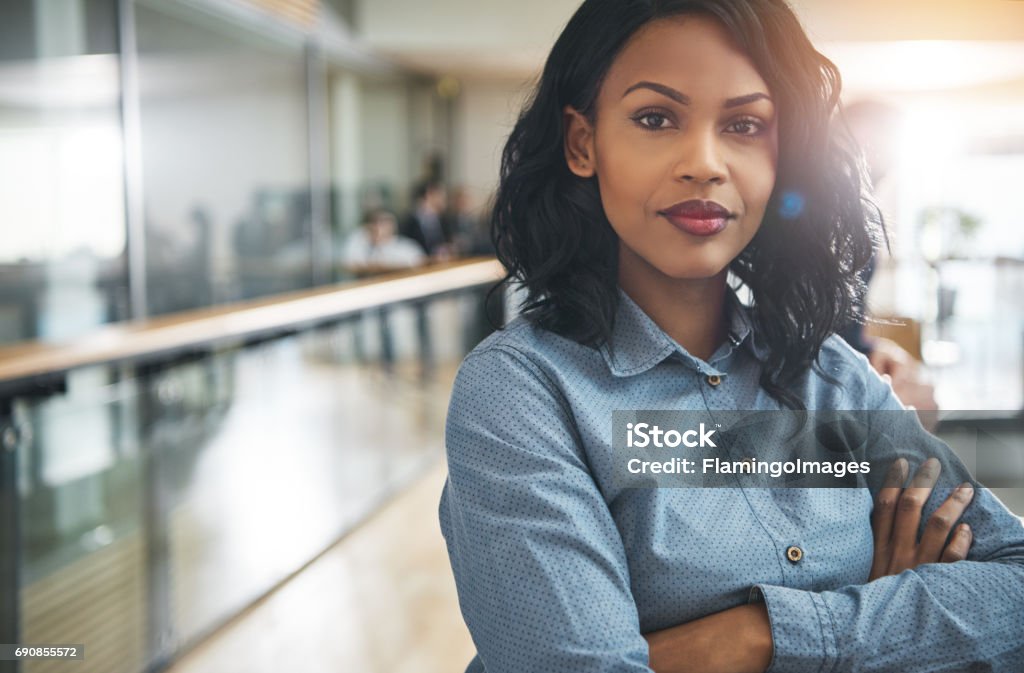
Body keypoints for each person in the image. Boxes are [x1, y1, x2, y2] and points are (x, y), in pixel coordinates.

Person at [439, 2, 1024, 673]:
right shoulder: (524, 393)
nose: (704, 164)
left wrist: (754, 637)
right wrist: (884, 620)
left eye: (745, 125)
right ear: (583, 143)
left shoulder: (827, 373)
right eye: (656, 118)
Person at [400, 180, 454, 259]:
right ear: (429, 195)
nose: (444, 199)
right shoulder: (409, 222)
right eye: (440, 195)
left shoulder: (444, 219)